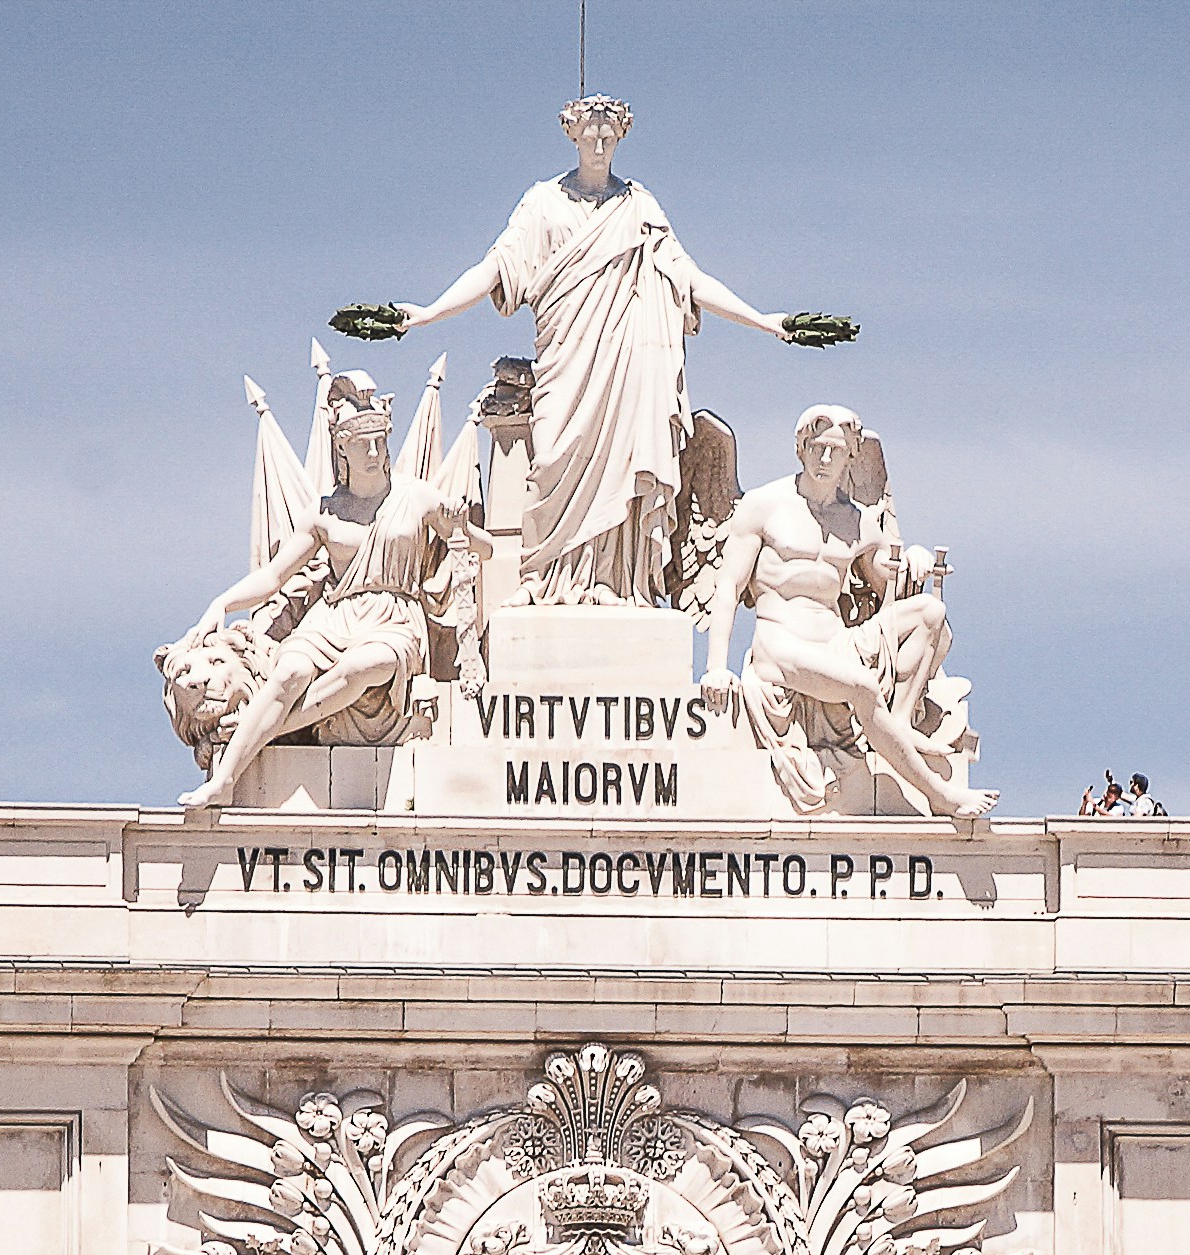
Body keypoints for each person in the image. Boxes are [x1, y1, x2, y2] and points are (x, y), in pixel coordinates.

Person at [375, 97, 828, 603]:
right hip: (564, 363)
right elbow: (493, 270)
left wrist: (767, 322)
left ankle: (612, 582)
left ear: (621, 137)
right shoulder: (542, 203)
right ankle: (542, 578)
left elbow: (691, 279)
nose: (598, 143)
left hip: (625, 365)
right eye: (589, 133)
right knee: (551, 461)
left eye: (608, 135)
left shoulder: (639, 207)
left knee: (620, 465)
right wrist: (429, 312)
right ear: (571, 133)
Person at [158, 371, 478, 811]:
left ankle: (267, 730)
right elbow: (274, 577)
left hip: (394, 620)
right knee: (288, 674)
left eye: (380, 441)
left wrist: (462, 526)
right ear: (340, 448)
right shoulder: (324, 514)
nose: (373, 452)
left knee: (371, 663)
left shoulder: (419, 497)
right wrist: (222, 603)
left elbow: (484, 548)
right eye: (361, 443)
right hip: (334, 618)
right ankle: (225, 781)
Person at [699, 405, 992, 828]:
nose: (824, 460)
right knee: (861, 686)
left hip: (835, 643)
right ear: (800, 449)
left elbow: (888, 591)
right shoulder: (763, 506)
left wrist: (913, 561)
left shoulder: (860, 522)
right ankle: (939, 794)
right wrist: (715, 667)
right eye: (816, 448)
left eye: (835, 451)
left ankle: (901, 723)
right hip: (780, 645)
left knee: (932, 614)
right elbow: (727, 587)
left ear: (851, 455)